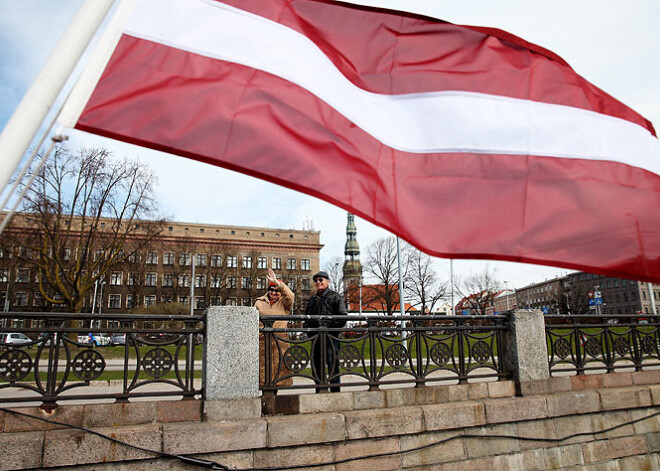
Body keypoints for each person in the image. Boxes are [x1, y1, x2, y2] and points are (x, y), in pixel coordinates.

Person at [304, 270, 347, 392]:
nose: (318, 282)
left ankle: (335, 392)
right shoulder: (313, 299)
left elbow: (343, 316)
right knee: (317, 365)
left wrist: (329, 328)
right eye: (316, 280)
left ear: (327, 282)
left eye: (321, 280)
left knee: (332, 364)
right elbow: (307, 316)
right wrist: (310, 331)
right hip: (316, 338)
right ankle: (320, 389)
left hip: (330, 338)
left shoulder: (335, 296)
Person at [254, 268, 294, 390]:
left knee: (278, 372)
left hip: (279, 342)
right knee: (262, 372)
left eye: (277, 291)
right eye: (272, 289)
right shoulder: (259, 302)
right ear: (268, 290)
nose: (274, 292)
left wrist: (277, 283)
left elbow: (290, 295)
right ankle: (264, 398)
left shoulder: (285, 303)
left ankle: (273, 397)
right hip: (262, 341)